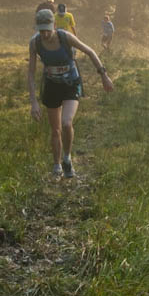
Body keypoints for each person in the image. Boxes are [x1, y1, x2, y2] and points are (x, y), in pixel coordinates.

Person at [28, 9, 113, 178]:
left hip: (71, 83)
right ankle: (57, 165)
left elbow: (90, 52)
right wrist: (33, 102)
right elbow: (31, 73)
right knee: (55, 130)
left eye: (47, 30)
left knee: (66, 123)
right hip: (51, 85)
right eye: (41, 30)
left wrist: (104, 75)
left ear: (54, 25)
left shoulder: (65, 37)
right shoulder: (35, 43)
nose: (45, 34)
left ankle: (67, 158)